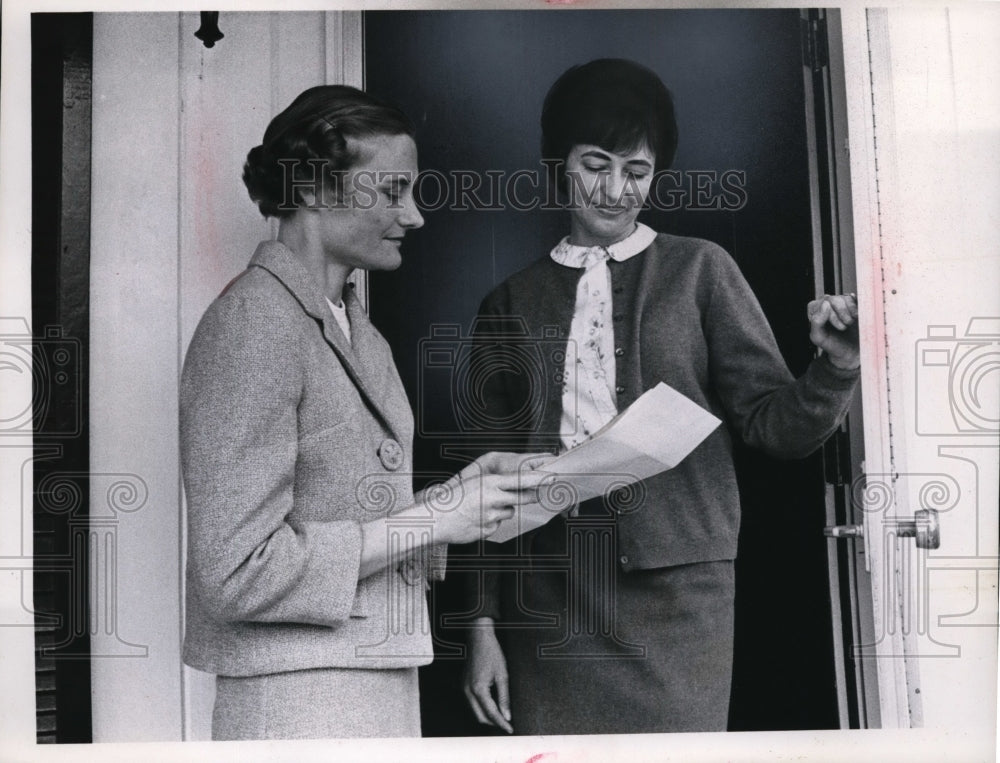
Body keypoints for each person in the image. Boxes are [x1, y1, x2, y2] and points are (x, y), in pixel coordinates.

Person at [461, 59, 861, 735]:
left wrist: (836, 366)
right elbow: (482, 473)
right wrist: (480, 624)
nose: (616, 189)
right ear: (559, 161)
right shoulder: (509, 303)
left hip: (681, 601)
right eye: (596, 164)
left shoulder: (702, 270)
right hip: (549, 598)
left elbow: (773, 425)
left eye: (637, 172)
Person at [179, 85, 546, 740]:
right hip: (298, 699)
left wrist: (459, 496)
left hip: (369, 682)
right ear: (317, 189)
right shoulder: (252, 323)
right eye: (392, 190)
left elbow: (344, 506)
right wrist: (435, 518)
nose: (415, 215)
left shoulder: (357, 329)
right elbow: (234, 573)